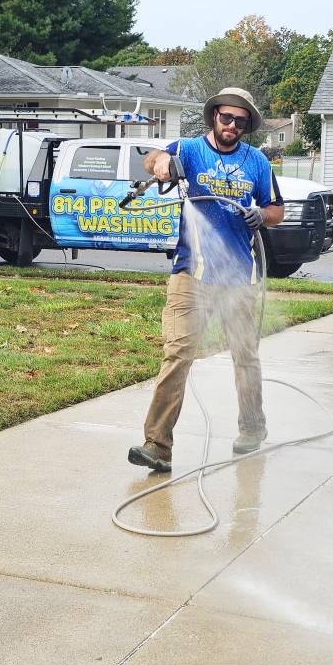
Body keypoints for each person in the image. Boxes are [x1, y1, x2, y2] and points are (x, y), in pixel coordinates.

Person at [128, 87, 284, 473]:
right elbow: (151, 159)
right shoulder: (191, 150)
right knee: (177, 354)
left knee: (245, 356)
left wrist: (261, 216)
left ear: (247, 125)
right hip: (190, 275)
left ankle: (252, 428)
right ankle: (157, 445)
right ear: (214, 116)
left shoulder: (257, 162)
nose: (232, 125)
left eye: (240, 121)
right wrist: (163, 163)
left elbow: (277, 209)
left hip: (239, 277)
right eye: (226, 117)